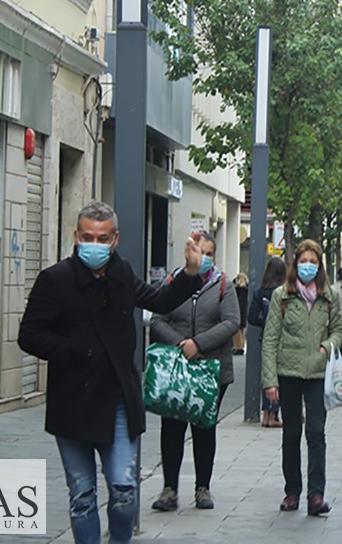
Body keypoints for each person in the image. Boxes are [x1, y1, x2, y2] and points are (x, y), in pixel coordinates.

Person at [19, 202, 203, 544]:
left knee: (123, 488)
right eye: (87, 236)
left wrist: (191, 274)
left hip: (117, 398)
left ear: (114, 239)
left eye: (102, 238)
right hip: (72, 400)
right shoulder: (55, 280)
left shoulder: (122, 273)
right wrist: (74, 350)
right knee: (82, 494)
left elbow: (159, 300)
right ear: (76, 236)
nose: (94, 244)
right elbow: (29, 335)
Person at [149, 232, 241, 511]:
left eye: (210, 252)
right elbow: (156, 319)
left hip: (210, 368)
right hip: (175, 367)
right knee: (172, 427)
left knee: (204, 426)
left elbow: (232, 321)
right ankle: (169, 490)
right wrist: (181, 344)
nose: (204, 257)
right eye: (200, 251)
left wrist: (200, 343)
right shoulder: (172, 283)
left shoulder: (223, 284)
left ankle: (203, 488)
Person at [262, 239, 342, 516]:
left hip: (318, 373)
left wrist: (327, 347)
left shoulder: (328, 296)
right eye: (303, 261)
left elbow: (338, 331)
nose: (307, 266)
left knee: (316, 433)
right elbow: (270, 338)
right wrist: (269, 380)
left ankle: (316, 495)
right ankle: (292, 491)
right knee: (291, 433)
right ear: (294, 264)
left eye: (313, 261)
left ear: (320, 265)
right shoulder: (281, 296)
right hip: (288, 372)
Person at [248, 257, 287, 428]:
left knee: (267, 376)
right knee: (280, 377)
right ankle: (274, 414)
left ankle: (266, 414)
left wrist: (265, 324)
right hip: (284, 339)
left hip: (266, 338)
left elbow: (251, 317)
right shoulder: (285, 292)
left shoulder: (260, 292)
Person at [232, 273, 250, 355]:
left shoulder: (238, 290)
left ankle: (237, 346)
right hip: (244, 311)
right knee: (241, 330)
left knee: (237, 330)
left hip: (237, 310)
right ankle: (241, 345)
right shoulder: (247, 289)